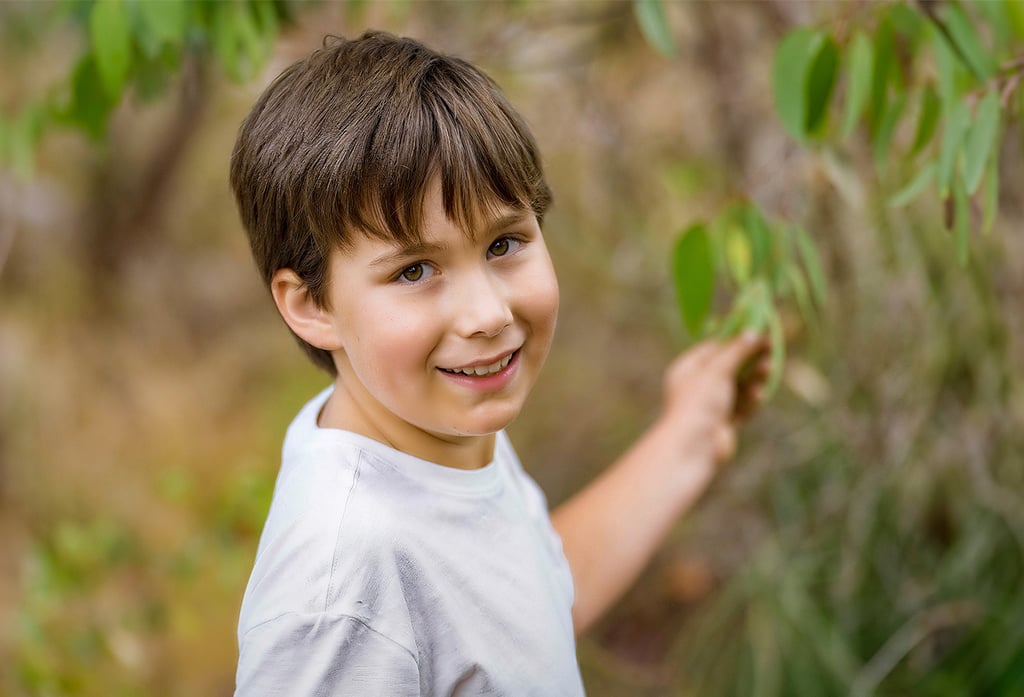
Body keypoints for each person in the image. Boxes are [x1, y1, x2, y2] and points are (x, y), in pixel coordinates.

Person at [229, 30, 769, 696]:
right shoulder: (343, 589)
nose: (485, 312)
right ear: (312, 303)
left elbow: (527, 603)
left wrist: (687, 436)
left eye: (504, 242)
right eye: (414, 269)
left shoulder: (433, 429)